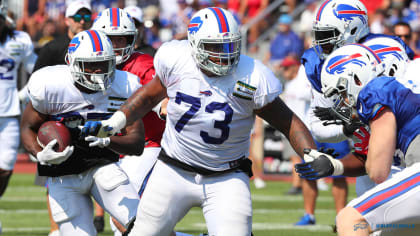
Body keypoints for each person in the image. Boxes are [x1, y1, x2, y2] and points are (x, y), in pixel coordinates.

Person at [80, 7, 333, 236]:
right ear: (195, 44)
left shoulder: (252, 75)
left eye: (230, 46)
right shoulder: (177, 60)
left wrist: (311, 153)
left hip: (226, 176)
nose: (225, 54)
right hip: (173, 171)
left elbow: (286, 120)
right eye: (215, 47)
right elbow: (147, 97)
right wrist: (114, 122)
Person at [297, 0, 414, 226]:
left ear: (352, 28)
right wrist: (346, 126)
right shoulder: (321, 64)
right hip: (368, 155)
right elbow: (318, 125)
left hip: (405, 149)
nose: (321, 42)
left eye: (328, 34)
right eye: (318, 34)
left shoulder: (388, 50)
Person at [20, 29, 143, 236]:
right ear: (73, 63)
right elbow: (27, 127)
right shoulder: (50, 86)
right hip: (63, 177)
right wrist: (39, 154)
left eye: (103, 64)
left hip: (102, 168)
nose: (98, 71)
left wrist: (108, 141)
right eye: (91, 65)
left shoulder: (125, 85)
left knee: (146, 227)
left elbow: (137, 142)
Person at [91, 8, 192, 236]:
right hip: (118, 146)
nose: (116, 45)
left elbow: (158, 97)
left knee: (126, 217)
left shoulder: (142, 66)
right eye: (110, 39)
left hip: (150, 145)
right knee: (126, 226)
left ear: (132, 40)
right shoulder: (91, 63)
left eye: (121, 39)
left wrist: (164, 107)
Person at [316, 43, 420, 236]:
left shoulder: (374, 91)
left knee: (350, 219)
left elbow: (378, 172)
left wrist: (370, 147)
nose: (343, 101)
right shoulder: (395, 89)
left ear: (355, 79)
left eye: (341, 92)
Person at [0, 1, 37, 233]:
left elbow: (37, 70)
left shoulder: (19, 40)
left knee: (5, 167)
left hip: (9, 113)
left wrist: (22, 95)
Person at [33, 0, 92, 71]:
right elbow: (36, 77)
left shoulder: (95, 47)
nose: (82, 22)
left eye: (87, 17)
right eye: (77, 17)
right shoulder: (52, 48)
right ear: (67, 21)